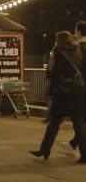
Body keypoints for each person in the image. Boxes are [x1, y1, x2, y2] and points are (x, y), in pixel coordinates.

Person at [30, 31, 86, 163]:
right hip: (77, 93)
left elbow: (54, 73)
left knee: (54, 123)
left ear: (59, 40)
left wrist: (51, 91)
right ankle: (84, 155)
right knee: (78, 124)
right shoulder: (79, 51)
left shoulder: (58, 51)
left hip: (62, 93)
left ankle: (45, 149)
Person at [62, 21, 86, 154]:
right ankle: (73, 144)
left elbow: (77, 66)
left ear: (79, 32)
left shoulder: (80, 47)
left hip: (81, 87)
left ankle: (76, 146)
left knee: (78, 118)